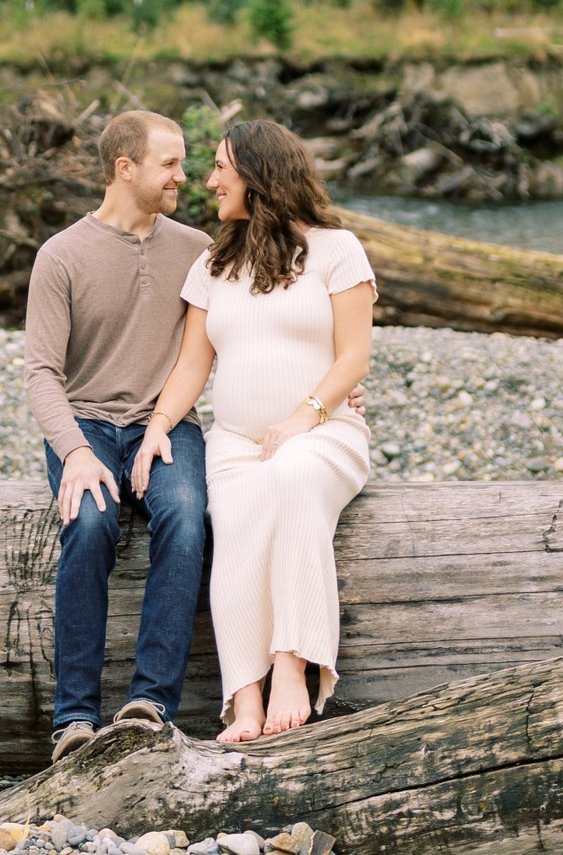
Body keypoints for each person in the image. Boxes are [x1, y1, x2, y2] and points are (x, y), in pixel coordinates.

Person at [131, 118, 374, 743]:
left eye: (221, 168)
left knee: (291, 477)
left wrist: (302, 418)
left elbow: (354, 357)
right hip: (236, 442)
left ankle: (292, 667)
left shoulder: (337, 250)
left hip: (325, 432)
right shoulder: (213, 263)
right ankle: (244, 698)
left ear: (258, 175)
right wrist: (159, 425)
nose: (209, 181)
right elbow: (193, 364)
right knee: (234, 522)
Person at [22, 109, 212, 763]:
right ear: (125, 168)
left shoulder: (196, 249)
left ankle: (150, 704)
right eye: (170, 163)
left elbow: (246, 324)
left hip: (168, 423)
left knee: (186, 516)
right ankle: (73, 716)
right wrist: (75, 451)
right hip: (86, 423)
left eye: (184, 163)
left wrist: (331, 386)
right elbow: (42, 373)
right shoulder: (60, 255)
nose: (183, 176)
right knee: (91, 520)